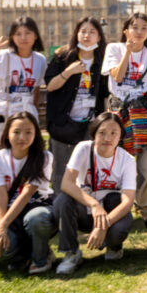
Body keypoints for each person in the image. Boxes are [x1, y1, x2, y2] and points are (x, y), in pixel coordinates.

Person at [103, 13, 147, 230]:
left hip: (142, 113)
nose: (139, 32)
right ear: (126, 31)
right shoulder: (114, 49)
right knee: (115, 163)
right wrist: (127, 53)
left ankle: (146, 209)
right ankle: (115, 208)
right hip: (118, 113)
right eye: (135, 27)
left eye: (144, 28)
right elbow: (118, 77)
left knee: (145, 167)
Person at [54, 112, 136, 274]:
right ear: (94, 134)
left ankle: (114, 247)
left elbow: (128, 202)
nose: (108, 138)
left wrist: (102, 226)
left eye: (114, 133)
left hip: (109, 213)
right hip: (84, 210)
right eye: (102, 133)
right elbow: (66, 183)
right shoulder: (83, 148)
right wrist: (94, 204)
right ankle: (71, 253)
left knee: (116, 202)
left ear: (120, 136)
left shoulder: (127, 160)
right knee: (62, 201)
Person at [0, 112, 56, 274]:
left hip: (38, 209)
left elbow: (27, 194)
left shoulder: (44, 157)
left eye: (28, 132)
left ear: (36, 134)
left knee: (36, 218)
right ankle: (22, 255)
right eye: (16, 132)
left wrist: (2, 226)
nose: (22, 137)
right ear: (7, 133)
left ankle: (41, 258)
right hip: (12, 214)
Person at [44, 17, 110, 194]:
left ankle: (85, 207)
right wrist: (69, 72)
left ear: (99, 36)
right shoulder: (62, 57)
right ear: (76, 34)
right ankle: (59, 205)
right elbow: (50, 86)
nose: (87, 35)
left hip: (89, 124)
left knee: (87, 169)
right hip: (63, 123)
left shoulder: (102, 60)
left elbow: (105, 94)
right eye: (83, 31)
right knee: (60, 170)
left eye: (92, 32)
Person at [0, 17, 47, 141]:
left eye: (27, 33)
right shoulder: (3, 56)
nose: (23, 38)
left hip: (25, 114)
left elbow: (35, 89)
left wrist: (33, 110)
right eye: (18, 34)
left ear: (36, 35)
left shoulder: (40, 59)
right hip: (0, 114)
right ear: (12, 37)